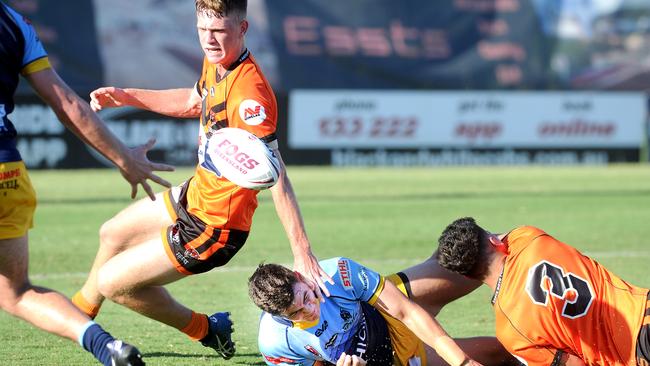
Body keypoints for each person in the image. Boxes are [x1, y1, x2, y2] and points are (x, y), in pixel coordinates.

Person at [70, 0, 332, 360]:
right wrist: (127, 96)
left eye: (220, 31)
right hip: (195, 194)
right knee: (111, 233)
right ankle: (81, 315)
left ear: (242, 29)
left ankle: (206, 329)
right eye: (202, 30)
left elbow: (278, 176)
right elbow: (195, 100)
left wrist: (302, 252)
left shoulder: (250, 96)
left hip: (215, 228)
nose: (209, 40)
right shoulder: (216, 62)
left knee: (112, 283)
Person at [0, 2, 175, 365]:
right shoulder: (15, 24)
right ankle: (105, 347)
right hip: (8, 175)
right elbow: (67, 103)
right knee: (15, 293)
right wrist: (124, 159)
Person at [436, 217, 650, 366]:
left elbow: (574, 364)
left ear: (466, 277)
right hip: (643, 307)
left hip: (635, 354)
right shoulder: (528, 237)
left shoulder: (511, 330)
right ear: (494, 241)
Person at [248, 257, 519, 366]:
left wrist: (463, 363)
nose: (310, 310)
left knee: (469, 263)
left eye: (306, 297)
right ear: (280, 317)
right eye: (295, 313)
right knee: (502, 353)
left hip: (386, 312)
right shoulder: (275, 343)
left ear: (301, 276)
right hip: (391, 360)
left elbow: (406, 312)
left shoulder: (337, 272)